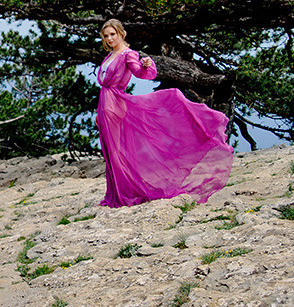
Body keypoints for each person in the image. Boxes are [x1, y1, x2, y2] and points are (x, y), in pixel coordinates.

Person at [96, 18, 233, 207]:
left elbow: (141, 73)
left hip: (115, 105)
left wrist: (146, 64)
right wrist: (98, 113)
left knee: (117, 152)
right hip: (104, 105)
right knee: (110, 153)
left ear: (121, 33)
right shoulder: (109, 56)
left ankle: (125, 194)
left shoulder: (128, 54)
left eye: (113, 34)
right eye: (106, 36)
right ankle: (115, 193)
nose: (110, 38)